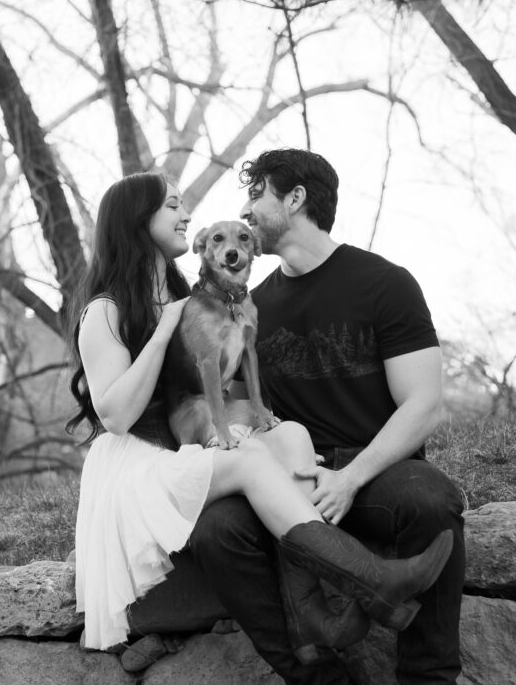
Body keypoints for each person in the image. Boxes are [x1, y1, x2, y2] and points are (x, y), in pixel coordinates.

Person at [67, 171, 452, 674]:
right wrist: (162, 334)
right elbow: (115, 416)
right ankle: (372, 579)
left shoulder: (194, 293)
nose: (186, 216)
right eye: (172, 207)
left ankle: (311, 615)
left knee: (290, 434)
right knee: (248, 460)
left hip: (190, 449)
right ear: (136, 221)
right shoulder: (106, 310)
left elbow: (222, 379)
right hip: (141, 465)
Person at [231, 148, 465, 685]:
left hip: (378, 470)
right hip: (294, 480)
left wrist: (351, 478)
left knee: (431, 500)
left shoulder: (384, 283)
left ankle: (429, 678)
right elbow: (242, 409)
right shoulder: (251, 308)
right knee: (219, 531)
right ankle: (317, 675)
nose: (245, 211)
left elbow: (424, 403)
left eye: (256, 195)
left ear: (294, 198)